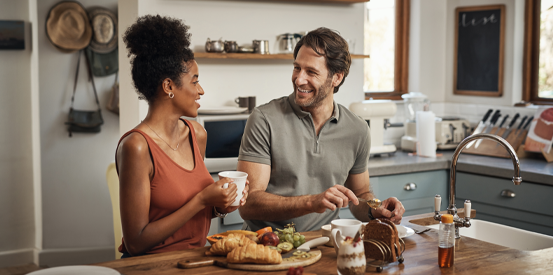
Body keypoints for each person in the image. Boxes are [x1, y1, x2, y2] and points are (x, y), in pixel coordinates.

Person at [237, 27, 404, 233]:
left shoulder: (357, 129)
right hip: (266, 245)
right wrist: (311, 202)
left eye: (311, 72)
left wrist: (376, 208)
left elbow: (359, 194)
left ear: (337, 78)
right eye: (297, 68)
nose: (299, 79)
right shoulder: (264, 119)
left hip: (324, 244)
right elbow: (248, 203)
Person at [116, 15, 248, 258]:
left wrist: (220, 204)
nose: (201, 90)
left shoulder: (197, 134)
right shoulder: (136, 147)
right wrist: (201, 200)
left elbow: (196, 214)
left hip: (197, 261)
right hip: (151, 267)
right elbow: (135, 242)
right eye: (194, 81)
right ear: (169, 87)